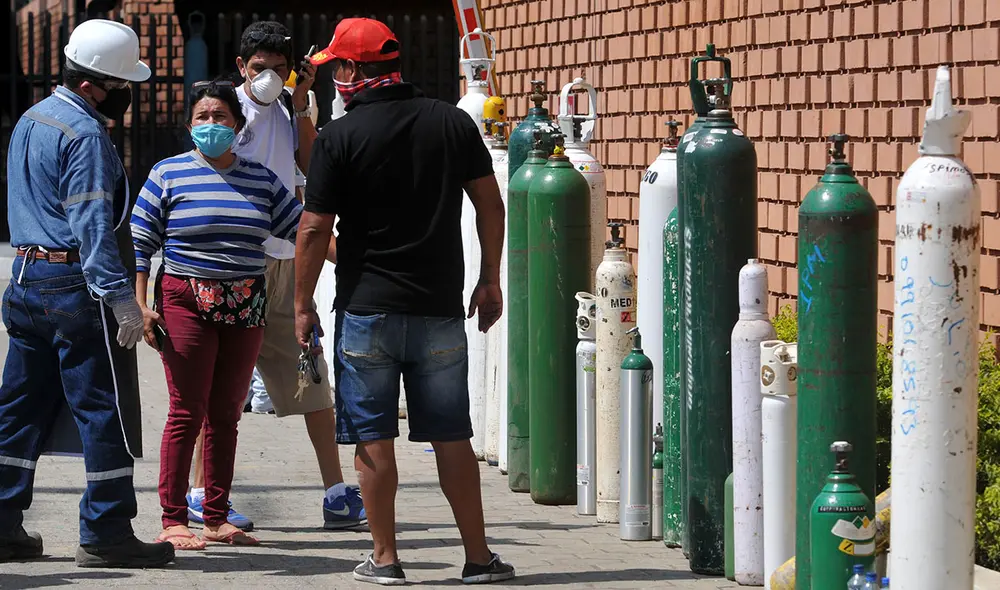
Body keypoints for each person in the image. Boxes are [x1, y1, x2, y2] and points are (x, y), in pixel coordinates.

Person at [295, 18, 514, 585]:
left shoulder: (339, 139)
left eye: (335, 70)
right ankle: (479, 559)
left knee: (373, 438)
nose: (333, 82)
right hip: (440, 308)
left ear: (350, 71)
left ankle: (387, 560)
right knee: (451, 436)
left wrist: (301, 305)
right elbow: (492, 205)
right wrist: (489, 278)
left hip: (367, 311)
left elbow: (314, 230)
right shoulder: (452, 121)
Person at [0, 19, 175, 568]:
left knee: (19, 410)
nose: (126, 96)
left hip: (25, 281)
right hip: (74, 287)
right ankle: (106, 531)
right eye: (122, 85)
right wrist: (120, 297)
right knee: (104, 410)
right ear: (90, 85)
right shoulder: (85, 136)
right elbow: (93, 226)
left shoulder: (30, 120)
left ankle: (3, 522)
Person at [186, 21, 365, 533]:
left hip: (285, 263)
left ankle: (335, 493)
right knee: (220, 385)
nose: (268, 77)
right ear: (242, 67)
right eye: (259, 68)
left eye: (279, 69)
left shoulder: (287, 109)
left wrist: (302, 101)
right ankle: (201, 492)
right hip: (237, 266)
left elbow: (310, 166)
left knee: (311, 377)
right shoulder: (224, 111)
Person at [132, 80, 303, 549]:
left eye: (221, 117)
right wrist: (143, 305)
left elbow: (303, 231)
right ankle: (172, 518)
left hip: (247, 302)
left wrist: (349, 262)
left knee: (226, 414)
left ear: (237, 124)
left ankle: (216, 516)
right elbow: (141, 243)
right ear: (190, 125)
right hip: (184, 298)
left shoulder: (262, 180)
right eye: (202, 117)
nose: (211, 125)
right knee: (188, 410)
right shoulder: (167, 174)